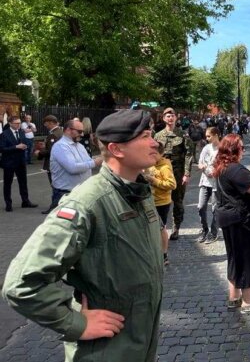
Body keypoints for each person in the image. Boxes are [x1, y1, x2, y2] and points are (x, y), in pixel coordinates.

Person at [2, 109, 163, 361]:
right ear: (117, 149)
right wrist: (76, 323)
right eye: (144, 136)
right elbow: (21, 285)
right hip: (105, 350)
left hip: (139, 343)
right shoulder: (87, 203)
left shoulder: (138, 191)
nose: (155, 142)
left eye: (151, 134)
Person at [213, 134, 250, 315]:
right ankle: (248, 303)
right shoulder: (235, 169)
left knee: (234, 257)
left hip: (227, 218)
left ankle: (234, 298)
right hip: (241, 220)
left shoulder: (222, 167)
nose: (244, 150)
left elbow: (245, 182)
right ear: (235, 150)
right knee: (248, 259)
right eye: (242, 147)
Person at [154, 107, 194, 240]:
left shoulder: (183, 135)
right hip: (162, 172)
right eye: (167, 116)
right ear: (164, 118)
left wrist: (187, 173)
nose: (170, 118)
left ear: (176, 118)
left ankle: (176, 227)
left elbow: (189, 154)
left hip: (178, 171)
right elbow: (154, 154)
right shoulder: (158, 136)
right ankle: (160, 227)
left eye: (172, 116)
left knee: (177, 201)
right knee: (160, 199)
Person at [47, 119, 103, 214]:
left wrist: (101, 157)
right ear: (68, 130)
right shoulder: (61, 146)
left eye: (83, 132)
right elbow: (72, 168)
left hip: (80, 192)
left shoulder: (79, 146)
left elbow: (88, 161)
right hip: (65, 194)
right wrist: (96, 162)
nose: (82, 135)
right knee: (65, 225)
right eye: (79, 131)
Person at [144, 142, 177, 266]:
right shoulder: (151, 164)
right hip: (150, 200)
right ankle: (155, 252)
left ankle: (163, 254)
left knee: (160, 228)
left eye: (155, 154)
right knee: (151, 228)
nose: (152, 156)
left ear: (161, 153)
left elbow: (172, 185)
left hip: (162, 203)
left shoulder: (165, 167)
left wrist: (154, 181)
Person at [0, 116, 38, 211]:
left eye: (20, 123)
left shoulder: (21, 132)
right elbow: (2, 149)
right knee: (8, 184)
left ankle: (25, 201)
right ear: (10, 123)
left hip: (21, 161)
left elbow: (24, 142)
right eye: (16, 123)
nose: (19, 125)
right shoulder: (4, 134)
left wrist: (25, 146)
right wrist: (16, 146)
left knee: (23, 183)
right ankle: (8, 204)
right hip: (9, 162)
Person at [197, 127, 221, 243]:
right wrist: (202, 167)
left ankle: (214, 232)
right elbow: (200, 162)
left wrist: (216, 172)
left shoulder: (222, 149)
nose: (206, 139)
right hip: (205, 181)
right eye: (206, 136)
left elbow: (226, 165)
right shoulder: (206, 148)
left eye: (208, 136)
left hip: (217, 183)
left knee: (215, 209)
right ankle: (204, 230)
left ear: (216, 135)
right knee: (201, 207)